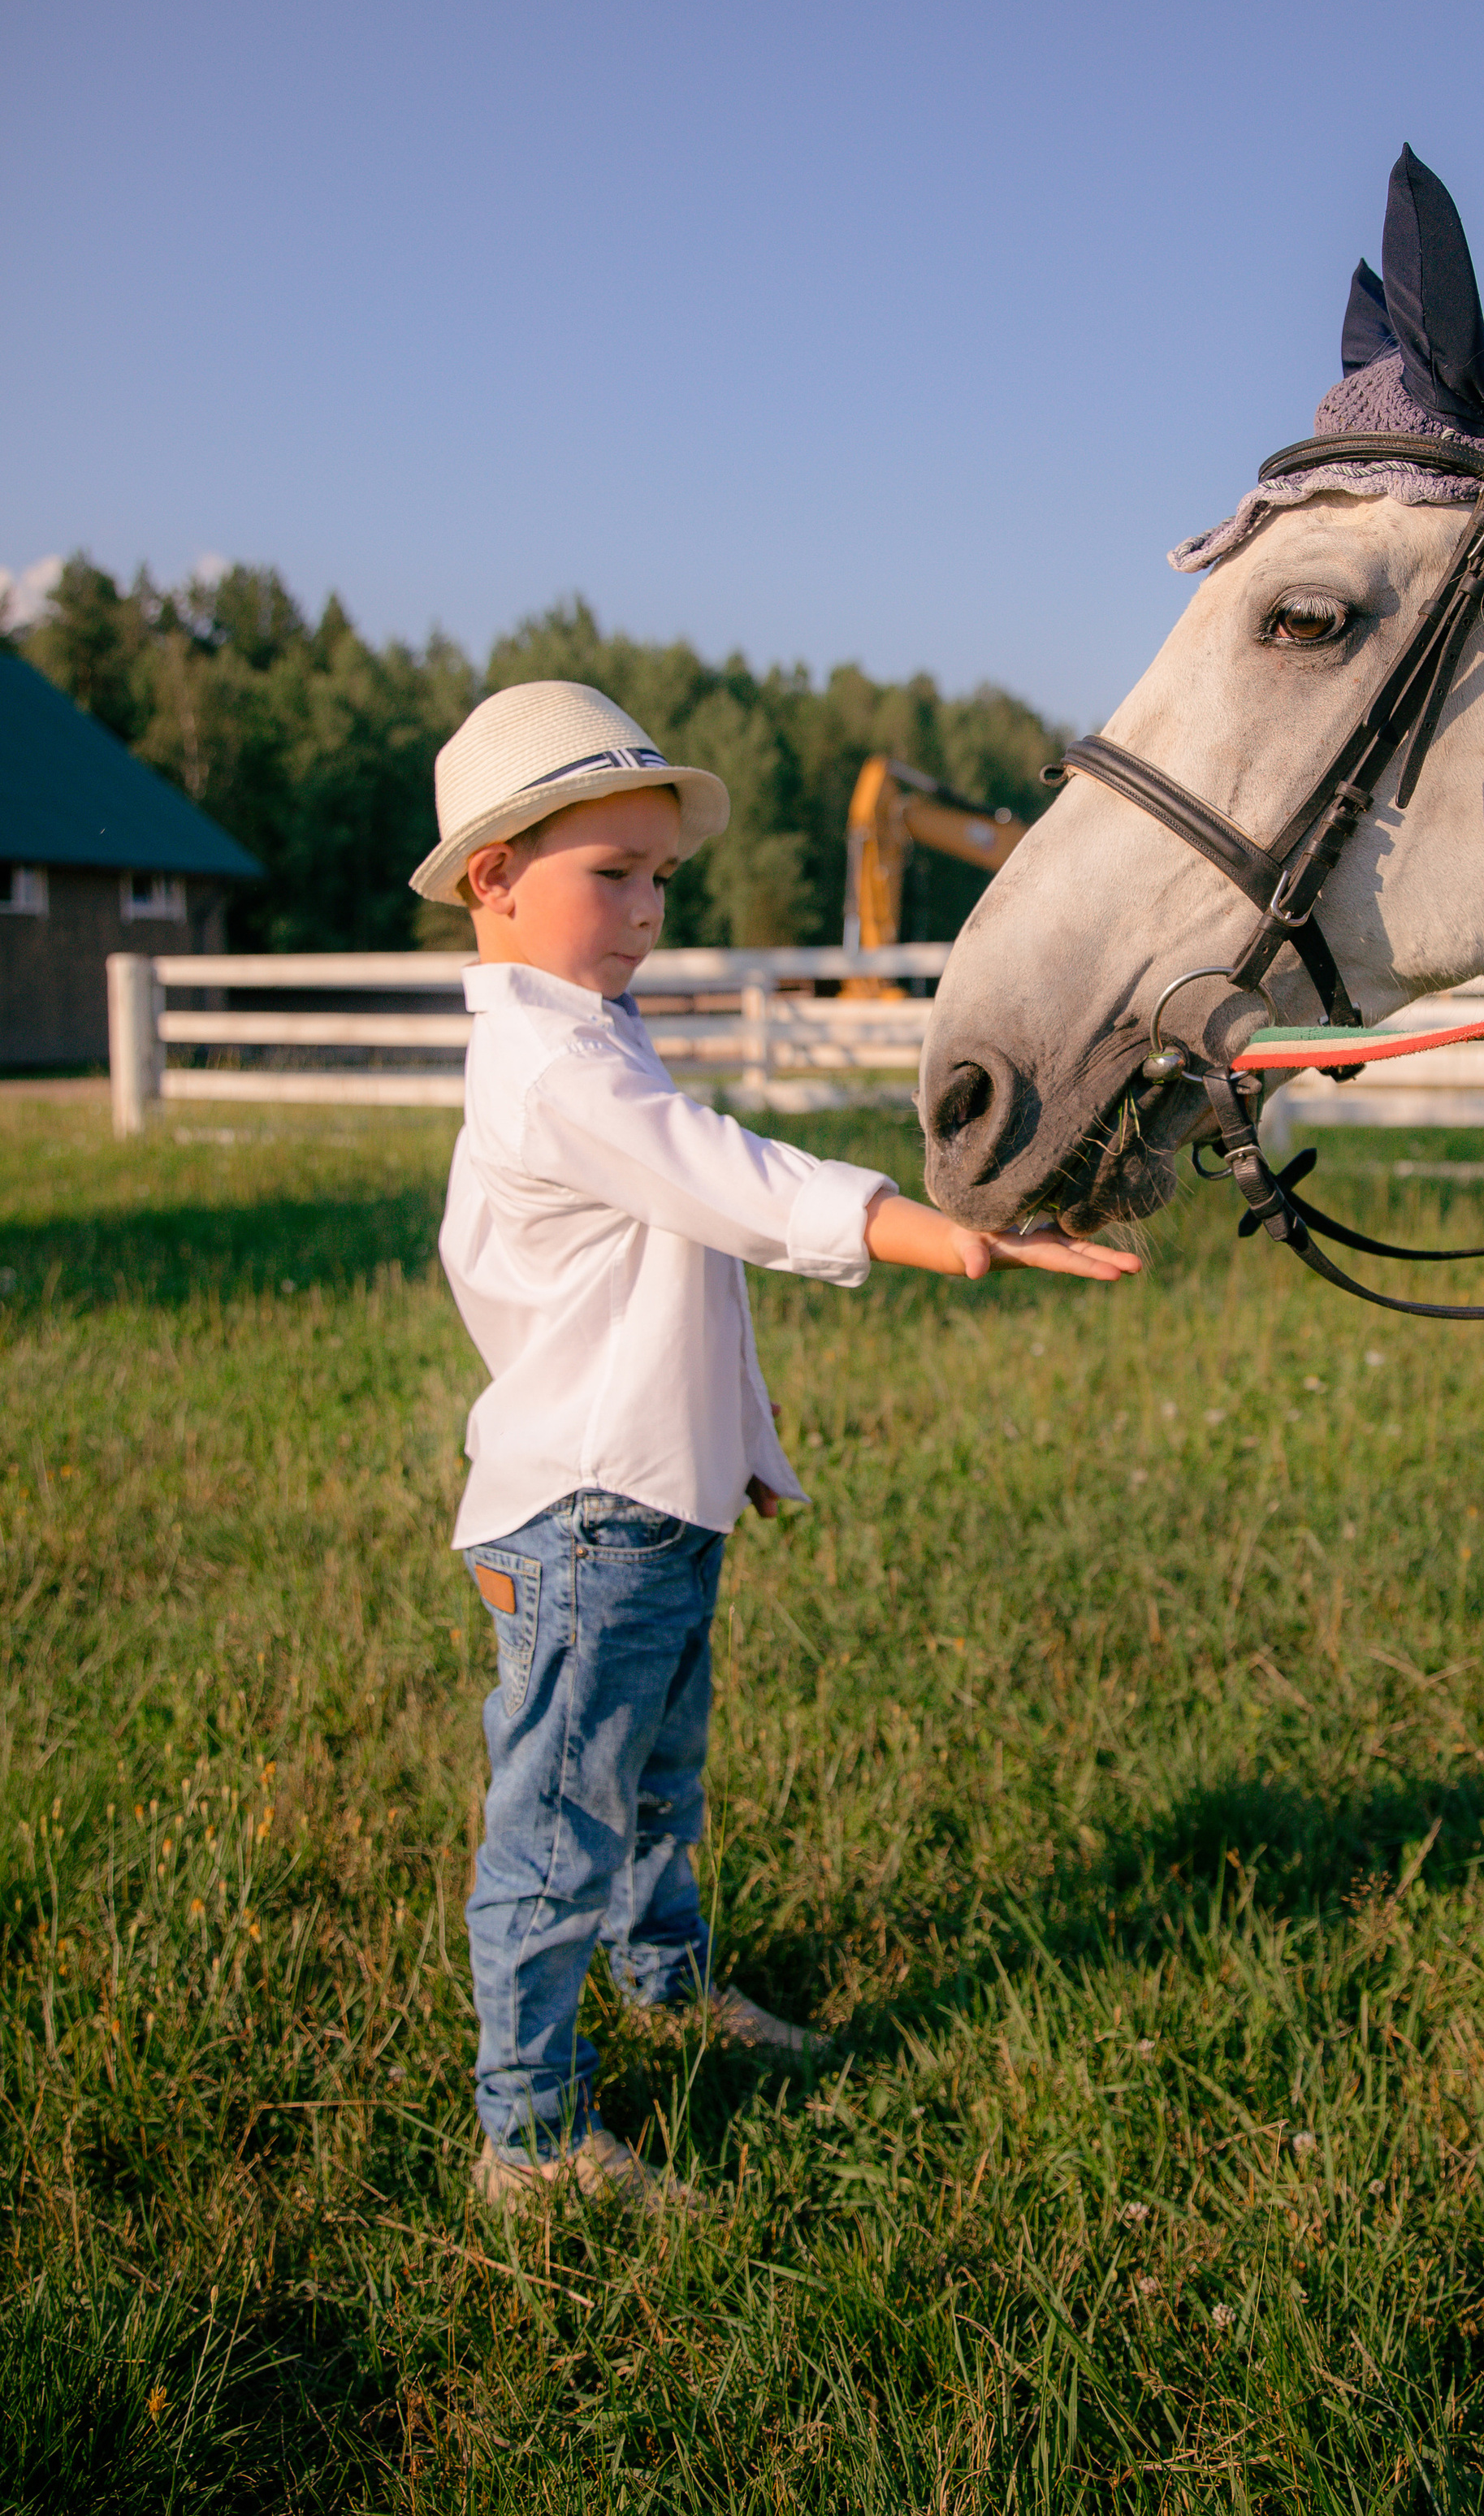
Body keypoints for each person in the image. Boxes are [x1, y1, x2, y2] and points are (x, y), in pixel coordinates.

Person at [411, 681, 1136, 2211]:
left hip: (650, 1506)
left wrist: (725, 1440)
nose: (647, 910)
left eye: (659, 878)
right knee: (557, 1829)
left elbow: (668, 1275)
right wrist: (943, 1234)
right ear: (495, 874)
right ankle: (531, 2144)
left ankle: (664, 1982)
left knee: (652, 1786)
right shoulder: (556, 1066)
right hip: (588, 1524)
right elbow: (725, 1183)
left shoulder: (589, 1039)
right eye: (614, 873)